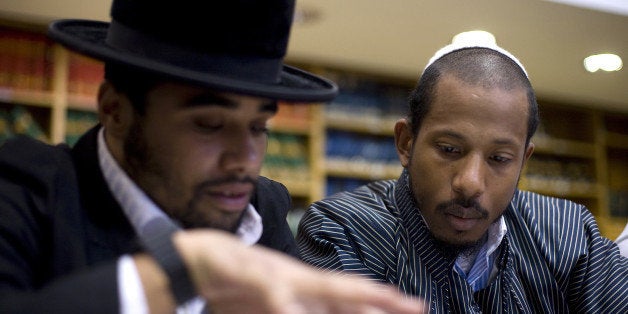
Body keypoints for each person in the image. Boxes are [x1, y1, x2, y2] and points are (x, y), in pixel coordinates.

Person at [0, 0, 426, 313]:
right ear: (115, 110)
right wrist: (180, 272)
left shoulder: (263, 208)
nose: (245, 159)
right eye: (209, 124)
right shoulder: (23, 190)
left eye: (259, 127)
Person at [297, 42, 628, 313]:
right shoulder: (343, 230)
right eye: (449, 150)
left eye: (499, 159)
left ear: (523, 162)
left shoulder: (567, 232)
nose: (470, 183)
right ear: (406, 142)